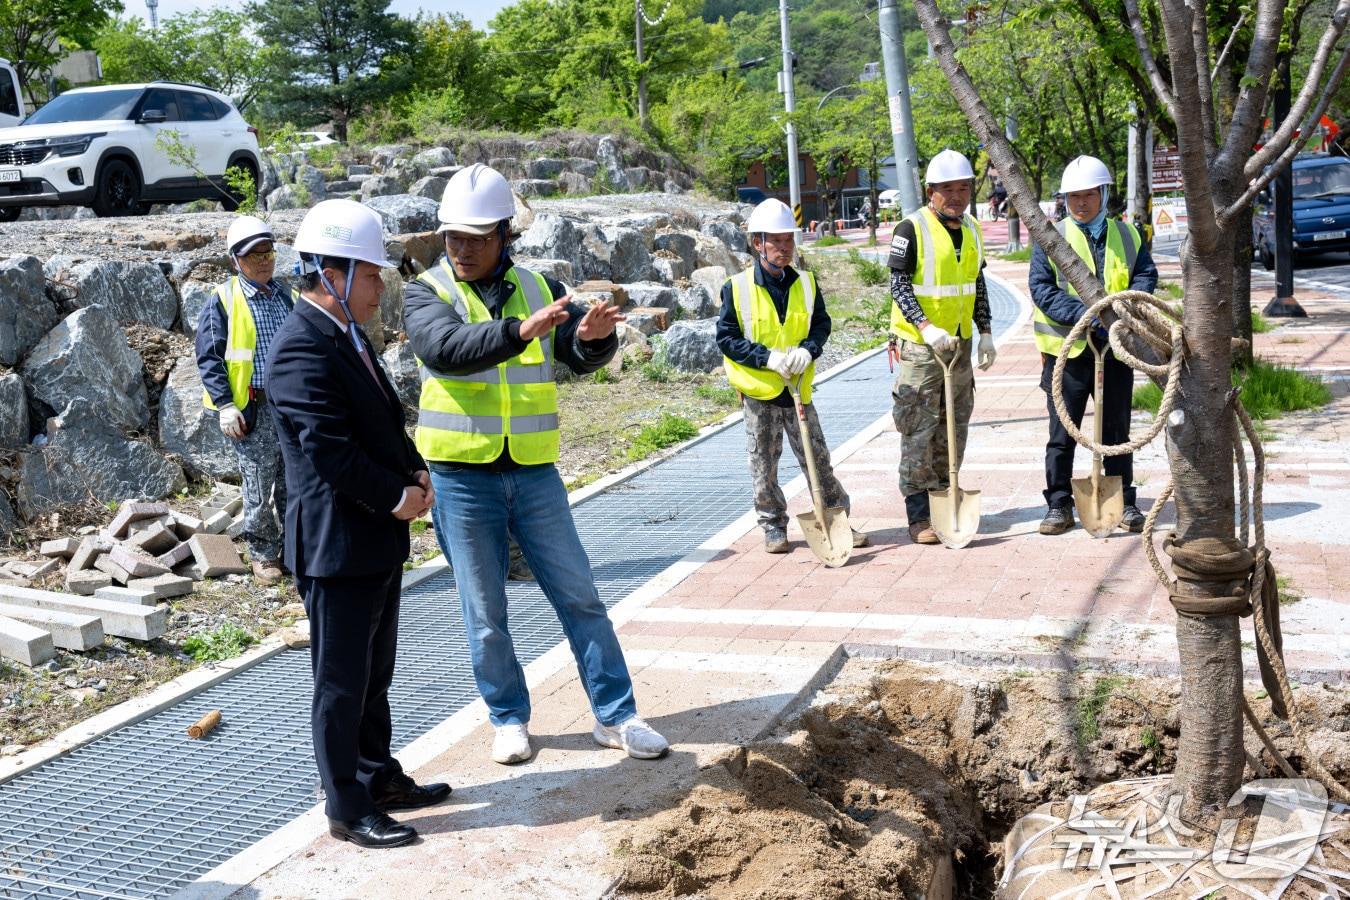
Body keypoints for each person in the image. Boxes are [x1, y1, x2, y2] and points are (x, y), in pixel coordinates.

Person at [403, 163, 669, 767]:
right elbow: (445, 350)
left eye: (476, 237)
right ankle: (508, 717)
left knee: (580, 596)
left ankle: (617, 716)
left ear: (505, 234)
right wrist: (521, 331)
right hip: (460, 476)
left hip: (533, 471)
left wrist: (595, 339)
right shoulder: (427, 292)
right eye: (453, 237)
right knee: (485, 611)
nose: (462, 249)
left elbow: (574, 352)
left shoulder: (540, 287)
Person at [267, 199, 450, 849]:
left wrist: (414, 468)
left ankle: (377, 776)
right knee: (341, 684)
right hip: (337, 543)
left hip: (372, 538)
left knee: (374, 674)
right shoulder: (300, 347)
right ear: (331, 274)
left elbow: (383, 421)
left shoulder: (346, 335)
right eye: (371, 275)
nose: (379, 288)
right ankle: (346, 804)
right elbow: (330, 451)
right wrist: (395, 496)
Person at [715, 198, 869, 554]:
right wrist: (767, 358)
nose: (784, 248)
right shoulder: (736, 288)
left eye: (789, 240)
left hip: (798, 388)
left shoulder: (807, 283)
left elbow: (821, 324)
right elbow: (727, 338)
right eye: (776, 241)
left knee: (818, 460)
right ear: (758, 243)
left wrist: (808, 349)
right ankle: (773, 526)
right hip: (760, 391)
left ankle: (837, 521)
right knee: (764, 465)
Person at [1028, 155, 1158, 535]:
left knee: (1116, 429)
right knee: (1062, 432)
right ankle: (1058, 504)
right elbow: (1042, 289)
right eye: (1073, 197)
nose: (1081, 203)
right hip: (1067, 353)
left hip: (1116, 350)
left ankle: (1125, 501)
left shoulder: (1128, 236)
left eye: (1088, 195)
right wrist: (1087, 316)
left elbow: (1145, 275)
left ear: (1103, 194)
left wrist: (1121, 312)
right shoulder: (1051, 239)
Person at [886, 149, 998, 544]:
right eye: (947, 189)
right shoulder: (910, 229)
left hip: (959, 345)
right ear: (930, 191)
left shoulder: (972, 229)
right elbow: (899, 285)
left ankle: (945, 496)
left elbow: (977, 283)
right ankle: (919, 515)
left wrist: (985, 331)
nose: (956, 196)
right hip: (922, 347)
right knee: (919, 428)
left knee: (954, 425)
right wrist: (926, 326)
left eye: (963, 188)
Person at [195, 215, 295, 584]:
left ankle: (293, 550)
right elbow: (209, 356)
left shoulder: (286, 295)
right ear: (236, 260)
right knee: (258, 485)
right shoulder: (223, 300)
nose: (265, 261)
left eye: (268, 253)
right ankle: (264, 554)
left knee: (292, 481)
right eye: (255, 255)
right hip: (252, 409)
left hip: (289, 405)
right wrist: (225, 404)